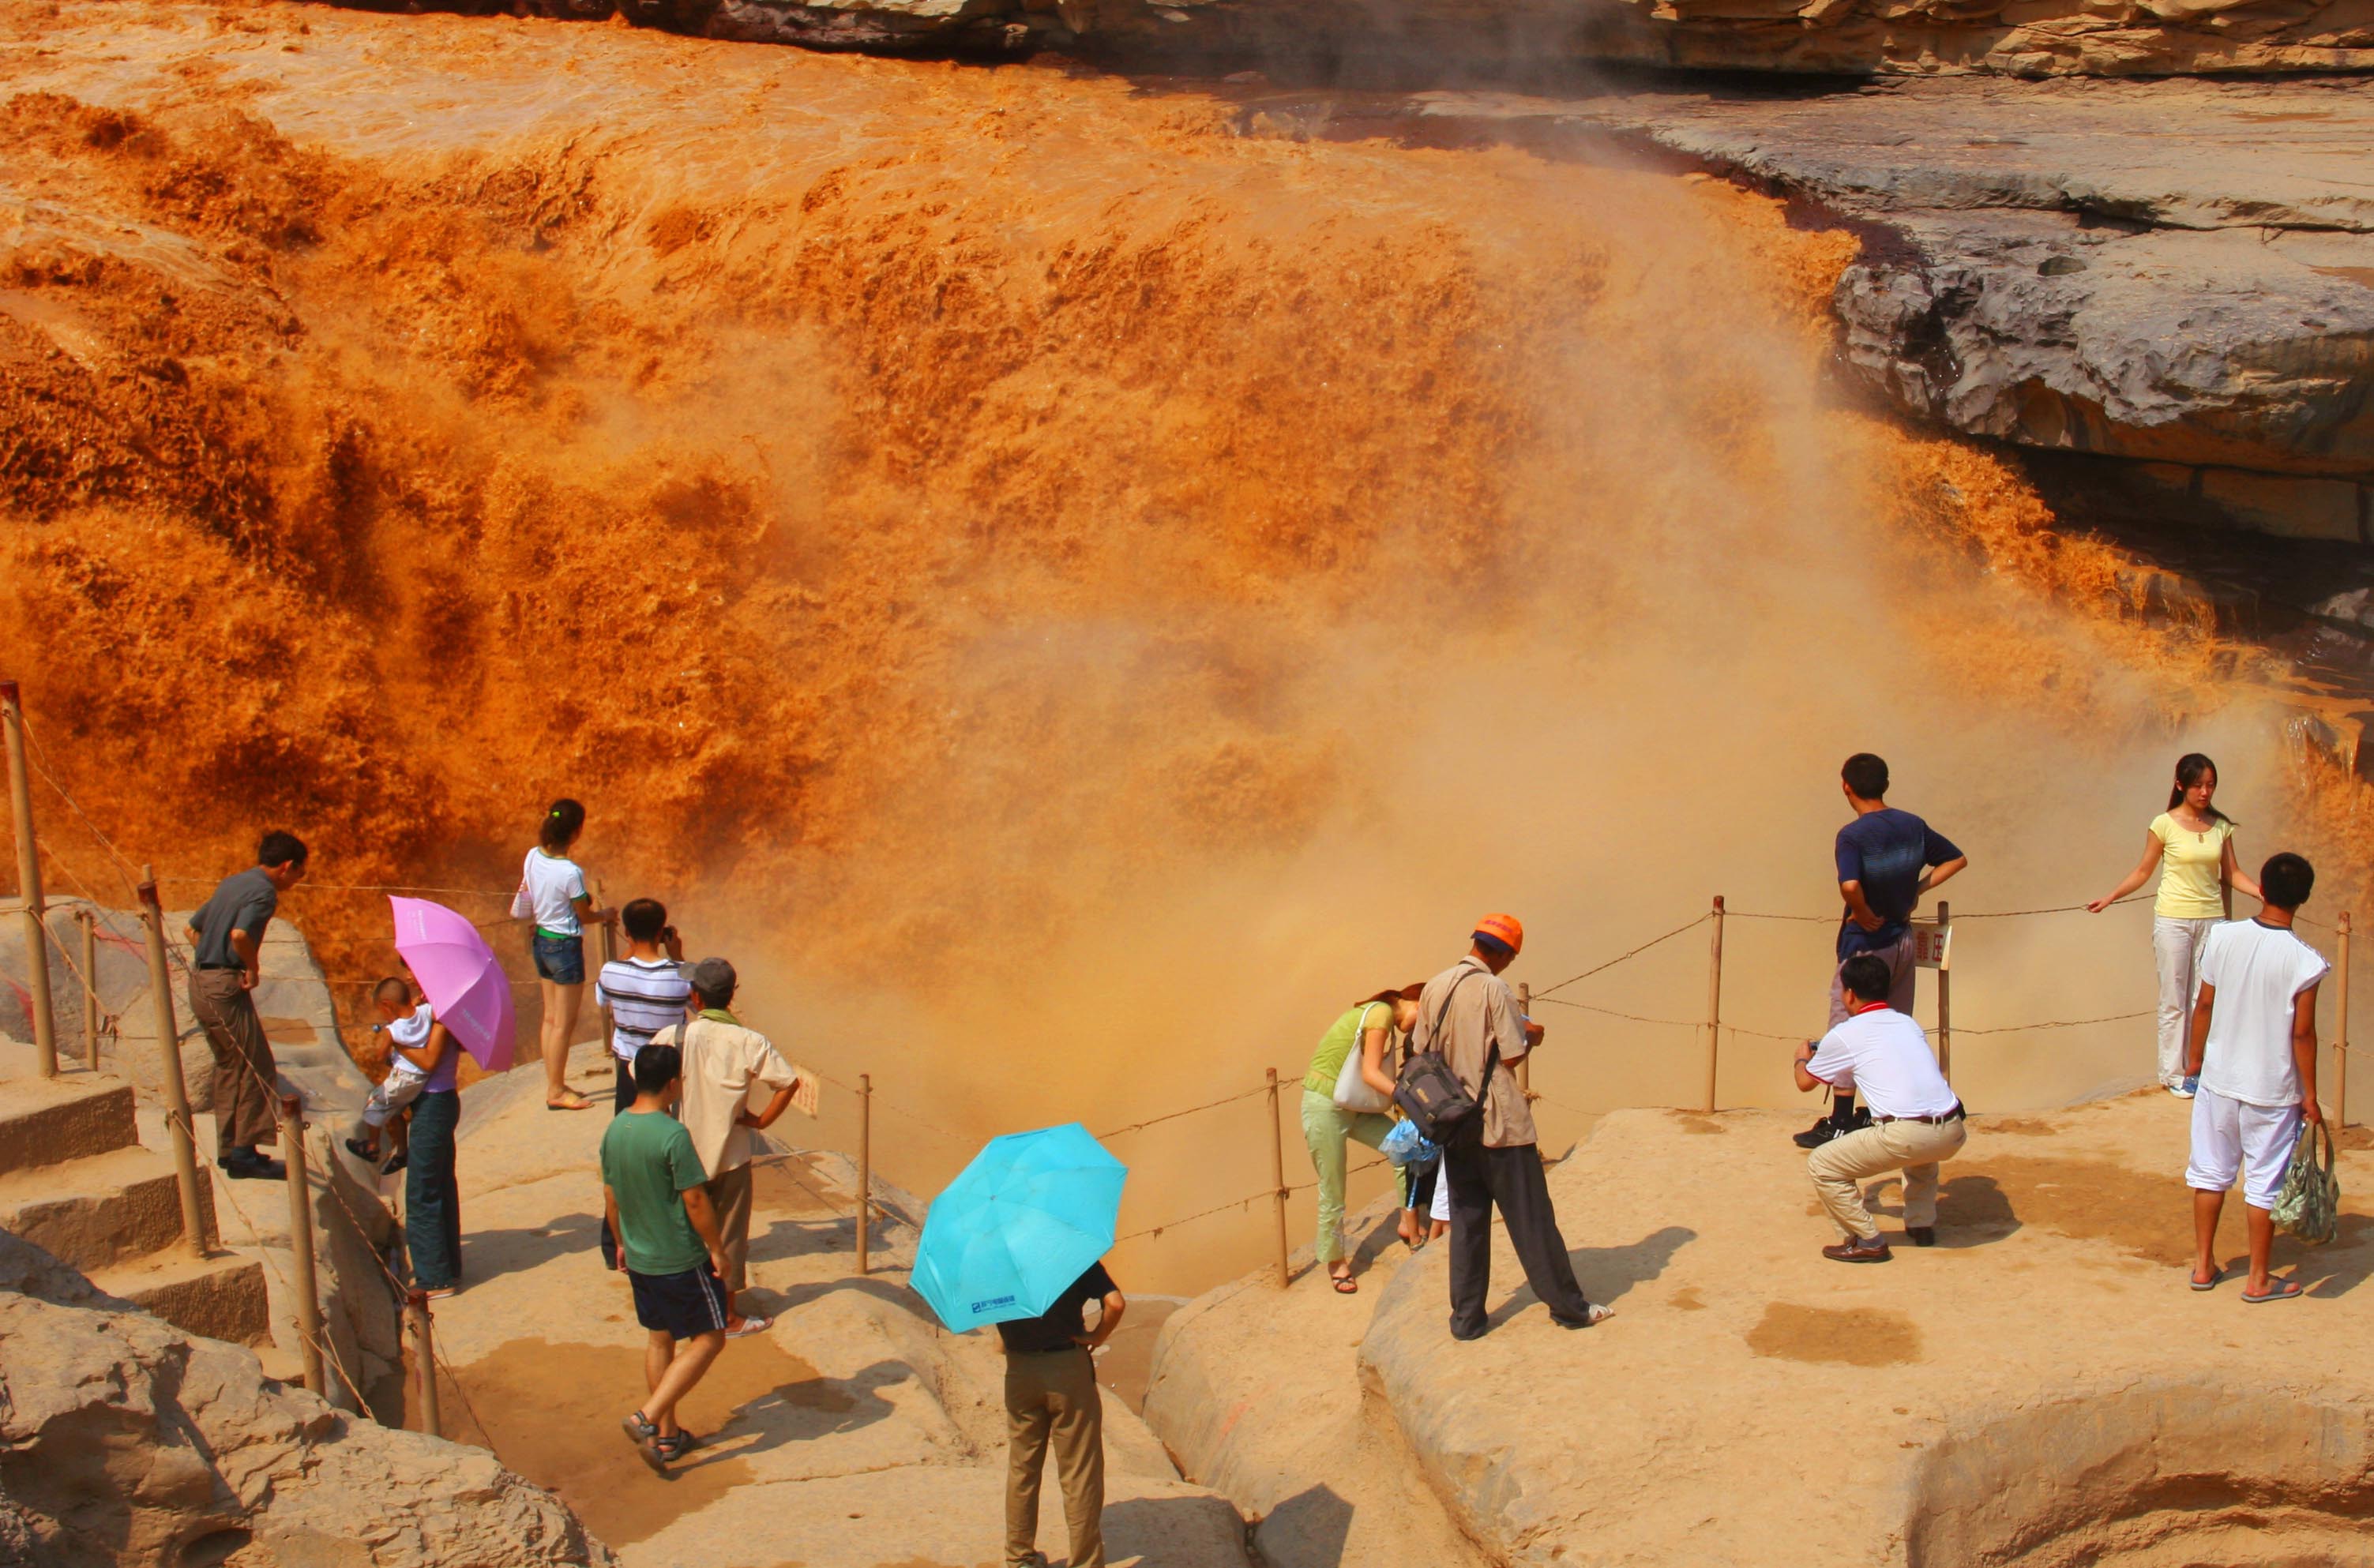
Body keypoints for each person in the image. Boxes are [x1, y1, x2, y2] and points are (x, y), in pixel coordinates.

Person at [1413, 914, 1610, 1339]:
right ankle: (1569, 1309)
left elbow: (1420, 1049)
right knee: (1531, 1219)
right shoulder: (1493, 988)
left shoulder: (1435, 985)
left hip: (1453, 1120)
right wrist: (1532, 1034)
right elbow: (1512, 1056)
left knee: (1467, 1222)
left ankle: (1466, 1321)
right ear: (1503, 954)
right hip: (1497, 1122)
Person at [1797, 754, 1966, 1150]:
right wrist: (1916, 892)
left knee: (1846, 1024)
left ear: (1846, 787)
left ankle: (1840, 1120)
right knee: (1895, 1024)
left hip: (1866, 944)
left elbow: (1851, 885)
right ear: (1885, 784)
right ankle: (1880, 1112)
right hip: (1903, 939)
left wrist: (1862, 913)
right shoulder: (1912, 824)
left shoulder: (1853, 835)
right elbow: (1957, 859)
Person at [2183, 852, 2326, 1304]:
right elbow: (2302, 1033)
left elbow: (2203, 1005)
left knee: (2209, 1172)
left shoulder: (2223, 937)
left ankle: (2204, 1265)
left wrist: (2193, 1061)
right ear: (2303, 899)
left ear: (2260, 889)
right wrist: (2311, 1094)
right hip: (2272, 1087)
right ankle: (2259, 1279)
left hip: (2219, 1079)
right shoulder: (2307, 962)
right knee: (2264, 1180)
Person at [2087, 752, 2265, 1098]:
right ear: (2181, 785)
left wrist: (2262, 893)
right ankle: (2173, 1073)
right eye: (2198, 785)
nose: (2204, 792)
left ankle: (2200, 1067)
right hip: (2173, 919)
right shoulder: (2163, 824)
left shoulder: (2221, 826)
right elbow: (2143, 871)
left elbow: (2232, 873)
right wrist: (2111, 896)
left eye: (2210, 785)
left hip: (2213, 920)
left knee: (2205, 998)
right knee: (2174, 997)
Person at [650, 958, 803, 1336]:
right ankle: (728, 1317)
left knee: (683, 1230)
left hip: (680, 1153)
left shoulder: (672, 1037)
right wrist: (761, 1121)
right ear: (732, 995)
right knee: (730, 1235)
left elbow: (640, 1075)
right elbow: (788, 1083)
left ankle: (681, 1310)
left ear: (695, 997)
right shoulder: (750, 1041)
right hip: (731, 1156)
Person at [603, 1041, 734, 1472]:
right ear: (674, 1084)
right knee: (711, 1337)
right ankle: (648, 1417)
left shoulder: (616, 1128)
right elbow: (695, 1199)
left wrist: (620, 1242)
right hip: (679, 1258)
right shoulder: (672, 1135)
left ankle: (667, 1438)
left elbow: (611, 1194)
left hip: (639, 1256)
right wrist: (716, 1248)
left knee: (659, 1338)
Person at [1793, 951, 1967, 1262]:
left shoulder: (1843, 1034)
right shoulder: (1907, 1023)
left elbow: (1805, 1082)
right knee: (1921, 1153)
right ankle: (1921, 1225)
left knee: (1823, 1165)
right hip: (1952, 1129)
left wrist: (1801, 1057)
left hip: (1907, 1134)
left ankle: (1867, 1240)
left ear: (1849, 994)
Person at [183, 831, 308, 1180]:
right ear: (287, 867)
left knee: (230, 1067)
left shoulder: (233, 882)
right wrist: (250, 968)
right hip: (225, 986)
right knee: (257, 1065)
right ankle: (244, 1154)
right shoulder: (265, 893)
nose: (299, 881)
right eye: (301, 873)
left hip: (201, 983)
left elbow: (191, 930)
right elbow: (240, 935)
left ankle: (228, 1150)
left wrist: (211, 960)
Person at [997, 1259, 1125, 1568]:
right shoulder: (1071, 1251)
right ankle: (1085, 1562)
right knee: (1079, 1472)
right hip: (1067, 1368)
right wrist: (1097, 1337)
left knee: (1022, 1467)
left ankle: (1019, 1556)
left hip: (1020, 1370)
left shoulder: (996, 1261)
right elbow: (1115, 1303)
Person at [1302, 985, 1425, 1292]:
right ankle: (1335, 1261)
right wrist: (1406, 1099)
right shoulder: (1380, 1013)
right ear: (1414, 1001)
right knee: (1333, 1187)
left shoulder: (1384, 1020)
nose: (1419, 1026)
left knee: (1405, 1148)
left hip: (1353, 1105)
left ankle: (1406, 1222)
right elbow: (1370, 1073)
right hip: (1325, 1105)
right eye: (1423, 1014)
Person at [594, 898, 694, 1272]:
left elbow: (603, 994)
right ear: (661, 931)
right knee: (672, 1156)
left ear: (628, 932)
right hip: (668, 1071)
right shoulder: (679, 976)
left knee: (624, 1156)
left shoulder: (610, 971)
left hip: (629, 1070)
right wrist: (679, 954)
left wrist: (632, 949)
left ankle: (614, 1247)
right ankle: (671, 1242)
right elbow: (702, 997)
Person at [510, 798, 614, 1112]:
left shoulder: (532, 856)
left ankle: (554, 1081)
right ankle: (555, 1090)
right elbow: (584, 916)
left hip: (541, 941)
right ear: (576, 831)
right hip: (564, 948)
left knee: (550, 1018)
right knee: (563, 1025)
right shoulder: (571, 872)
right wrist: (606, 914)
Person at [393, 981, 465, 1298]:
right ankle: (448, 1265)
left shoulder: (442, 1016)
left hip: (434, 1105)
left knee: (422, 1191)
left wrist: (394, 1041)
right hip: (440, 1101)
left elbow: (428, 1061)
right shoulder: (434, 1012)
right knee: (440, 1185)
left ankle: (435, 1279)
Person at [344, 976, 428, 1175]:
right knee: (395, 1111)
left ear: (387, 1005)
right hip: (420, 1078)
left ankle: (372, 1146)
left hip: (403, 1078)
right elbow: (421, 1010)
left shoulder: (394, 1029)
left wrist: (386, 1040)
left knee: (375, 1103)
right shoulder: (426, 1012)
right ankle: (402, 1153)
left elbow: (380, 1055)